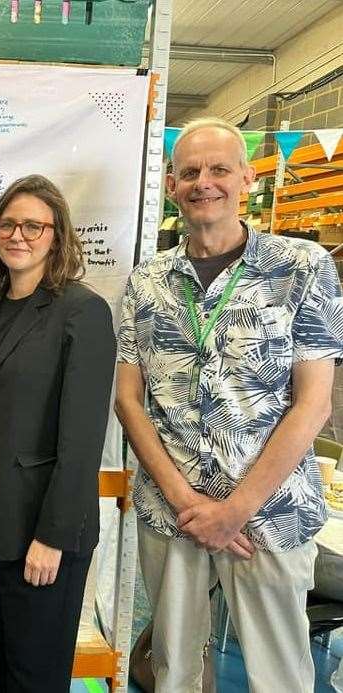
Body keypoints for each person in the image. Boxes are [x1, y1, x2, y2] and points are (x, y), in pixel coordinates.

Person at [115, 117, 343, 693]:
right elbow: (129, 400)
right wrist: (187, 501)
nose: (204, 182)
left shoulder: (302, 268)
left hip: (267, 516)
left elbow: (312, 406)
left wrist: (235, 508)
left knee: (279, 676)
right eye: (190, 172)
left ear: (246, 178)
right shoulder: (147, 282)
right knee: (173, 672)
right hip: (173, 515)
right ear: (171, 185)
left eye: (219, 169)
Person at [0, 174, 117, 692]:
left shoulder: (82, 312)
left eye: (34, 226)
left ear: (57, 236)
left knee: (36, 677)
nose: (18, 235)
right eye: (8, 223)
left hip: (43, 533)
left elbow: (82, 439)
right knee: (11, 666)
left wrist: (52, 536)